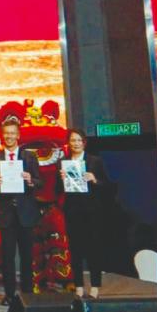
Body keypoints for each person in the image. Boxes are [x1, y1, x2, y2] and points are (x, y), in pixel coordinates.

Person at [0, 118, 42, 306]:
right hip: (6, 214)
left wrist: (30, 180)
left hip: (26, 213)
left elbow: (39, 182)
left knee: (27, 256)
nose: (9, 136)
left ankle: (27, 293)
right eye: (6, 133)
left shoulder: (29, 157)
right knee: (7, 257)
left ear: (18, 135)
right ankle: (9, 294)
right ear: (2, 135)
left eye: (12, 133)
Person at [59, 128, 110, 299]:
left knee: (94, 248)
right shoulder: (63, 162)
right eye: (73, 140)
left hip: (92, 211)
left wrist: (94, 179)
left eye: (79, 140)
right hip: (73, 211)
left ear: (84, 143)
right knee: (75, 250)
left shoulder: (95, 161)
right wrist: (61, 179)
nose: (76, 143)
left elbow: (107, 185)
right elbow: (58, 190)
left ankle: (95, 285)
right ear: (69, 143)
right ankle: (79, 285)